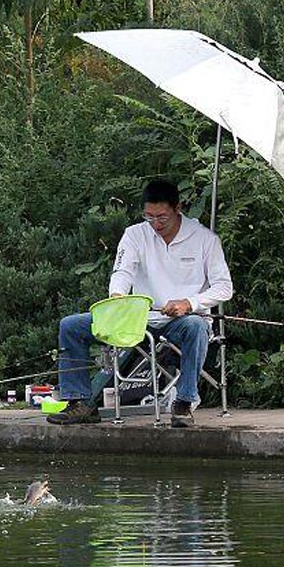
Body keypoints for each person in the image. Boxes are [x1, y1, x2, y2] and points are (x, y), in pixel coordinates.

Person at [48, 178, 234, 429]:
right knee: (71, 326)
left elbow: (224, 288)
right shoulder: (135, 234)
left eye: (162, 217)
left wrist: (189, 303)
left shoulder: (205, 239)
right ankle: (79, 403)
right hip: (138, 319)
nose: (156, 224)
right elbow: (122, 271)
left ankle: (184, 403)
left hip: (183, 320)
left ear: (178, 208)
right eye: (149, 217)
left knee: (196, 327)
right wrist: (117, 296)